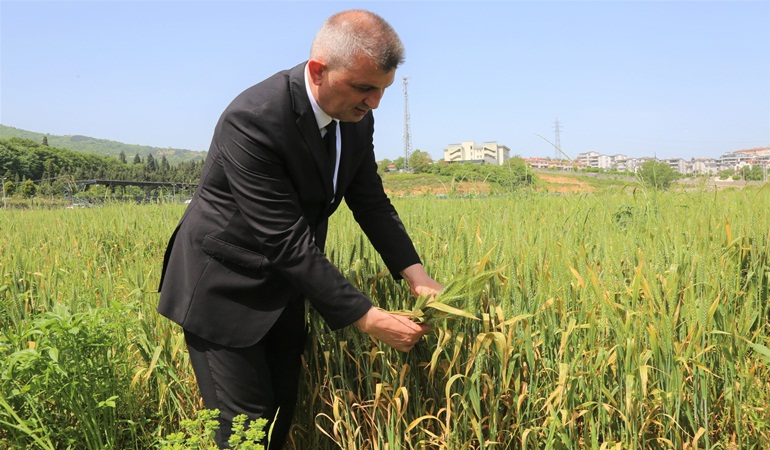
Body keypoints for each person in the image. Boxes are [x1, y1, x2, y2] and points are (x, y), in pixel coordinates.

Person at [157, 9, 443, 449]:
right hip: (223, 291)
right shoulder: (253, 118)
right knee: (244, 432)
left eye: (382, 90)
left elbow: (369, 201)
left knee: (278, 416)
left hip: (285, 290)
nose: (374, 104)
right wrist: (368, 317)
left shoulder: (355, 118)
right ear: (318, 70)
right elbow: (283, 238)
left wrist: (417, 276)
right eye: (364, 88)